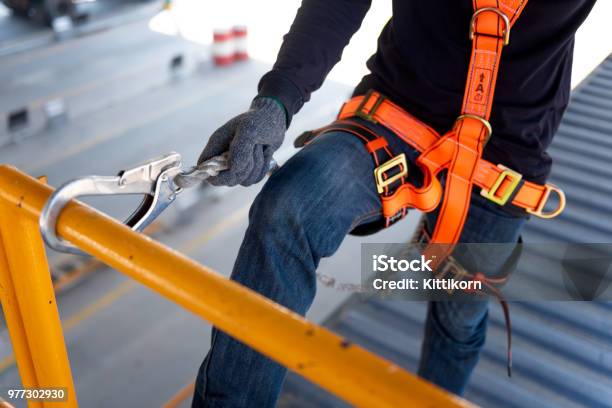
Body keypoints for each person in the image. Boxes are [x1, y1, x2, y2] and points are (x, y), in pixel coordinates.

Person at [192, 1, 596, 406]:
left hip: (506, 154)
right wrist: (276, 101)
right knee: (287, 209)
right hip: (398, 110)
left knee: (458, 315)